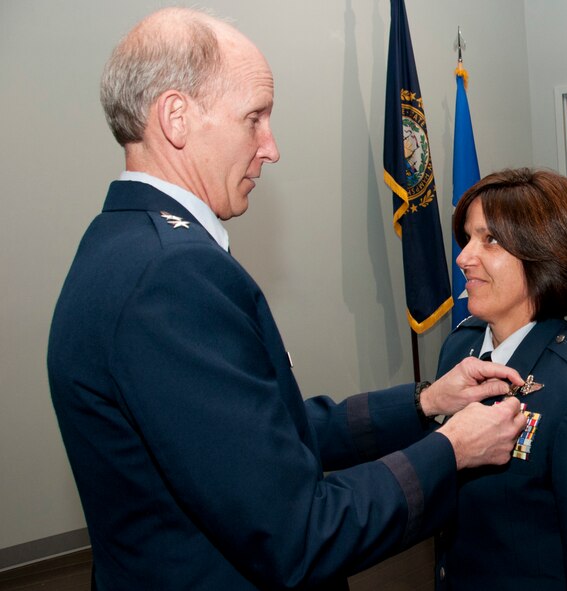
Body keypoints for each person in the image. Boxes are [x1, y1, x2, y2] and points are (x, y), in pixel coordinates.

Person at [46, 8, 528, 590]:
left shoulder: (122, 243)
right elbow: (298, 531)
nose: (271, 149)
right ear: (176, 117)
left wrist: (425, 401)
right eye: (254, 119)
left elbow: (270, 437)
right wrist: (450, 449)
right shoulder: (170, 276)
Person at [434, 168, 567, 590]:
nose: (462, 257)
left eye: (489, 239)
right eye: (469, 237)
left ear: (544, 256)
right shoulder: (459, 350)